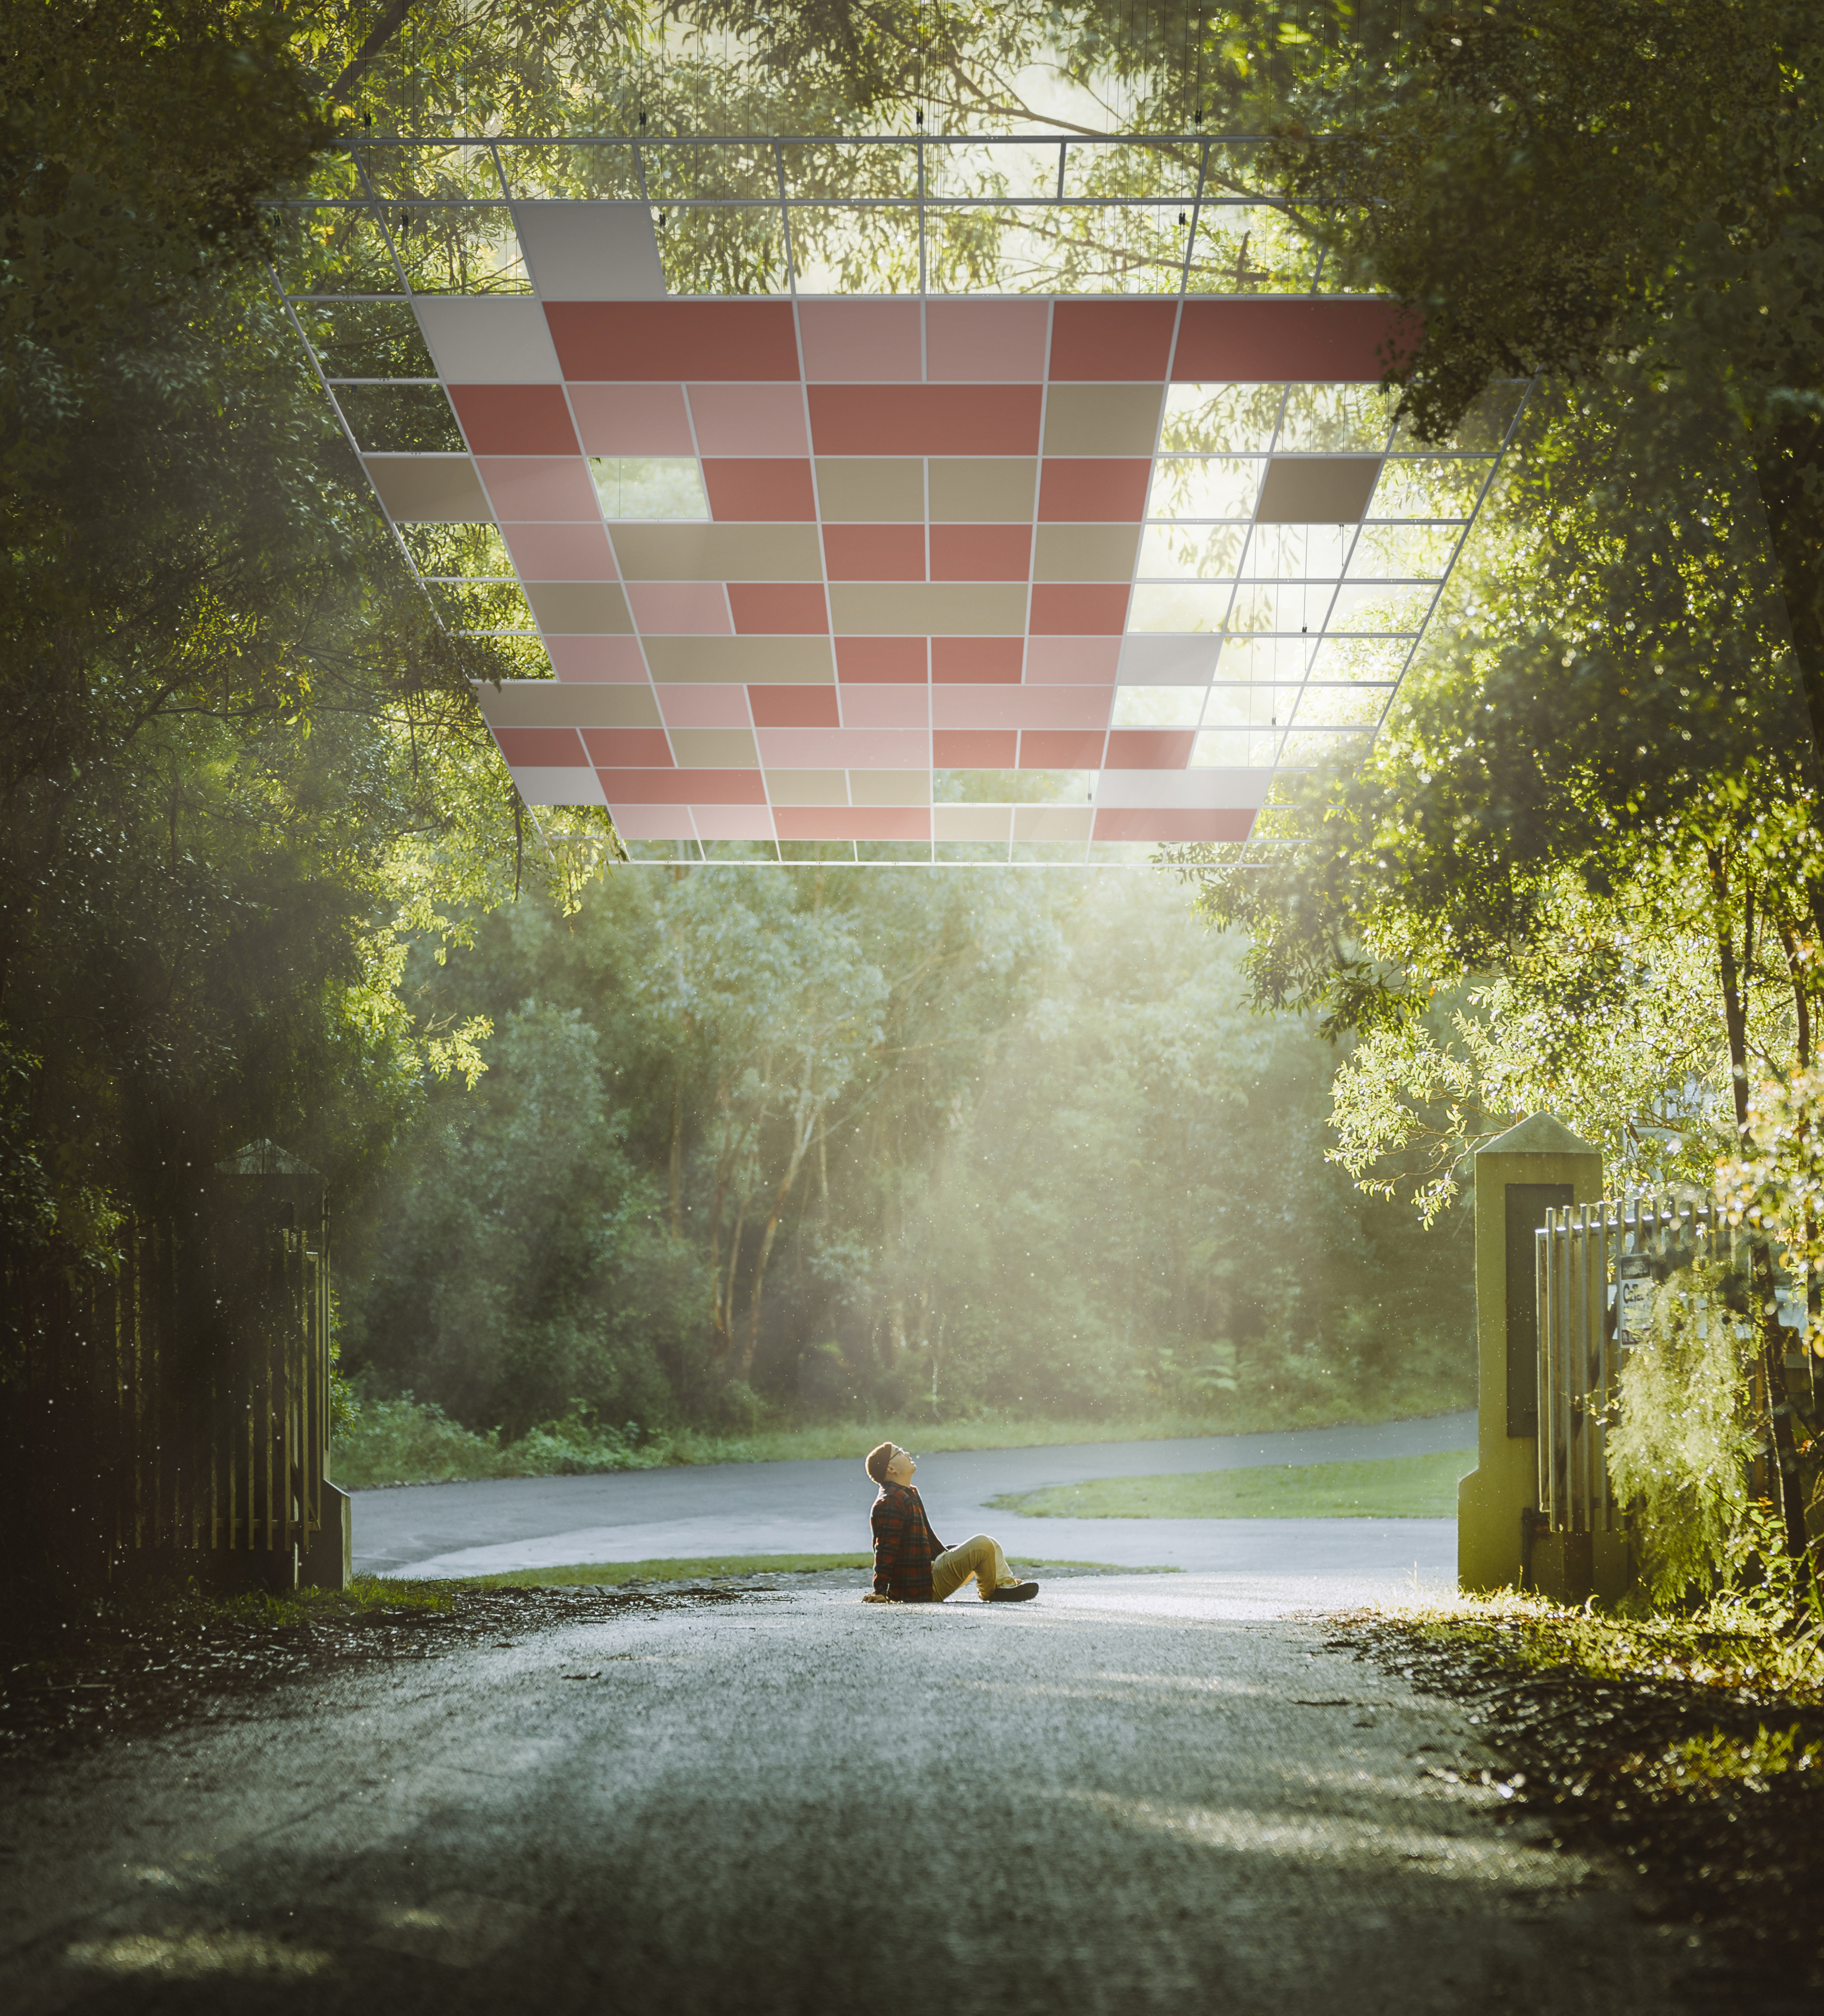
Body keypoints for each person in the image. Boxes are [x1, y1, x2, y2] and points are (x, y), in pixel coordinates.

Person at [861, 1443, 1038, 1603]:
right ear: (891, 1468)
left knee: (991, 1545)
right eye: (899, 1452)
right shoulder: (890, 1501)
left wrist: (951, 1555)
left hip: (928, 1570)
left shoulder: (908, 1493)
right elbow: (885, 1549)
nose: (906, 1453)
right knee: (982, 1544)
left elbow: (927, 1544)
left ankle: (1005, 1586)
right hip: (921, 1588)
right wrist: (880, 1591)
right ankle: (993, 1593)